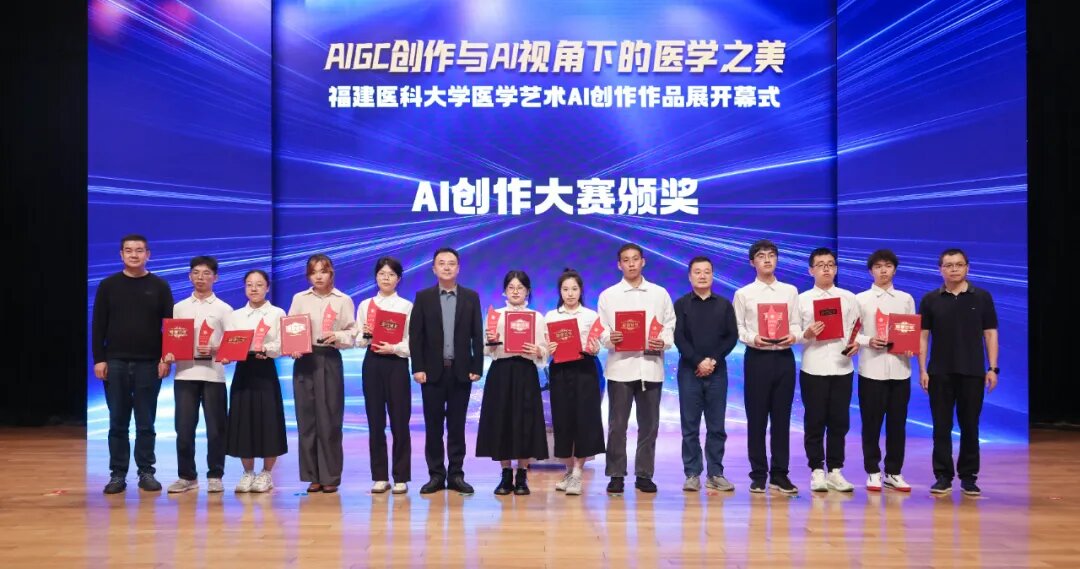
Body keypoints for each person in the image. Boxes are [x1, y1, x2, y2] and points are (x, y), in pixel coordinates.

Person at [92, 234, 174, 494]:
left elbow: (170, 327)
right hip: (114, 362)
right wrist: (99, 359)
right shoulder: (108, 285)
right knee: (117, 421)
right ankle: (117, 474)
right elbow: (98, 325)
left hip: (149, 364)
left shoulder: (160, 286)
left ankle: (146, 472)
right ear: (121, 255)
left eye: (139, 250)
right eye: (128, 250)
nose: (134, 255)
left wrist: (166, 358)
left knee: (146, 422)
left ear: (148, 254)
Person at [596, 243, 676, 495]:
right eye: (626, 260)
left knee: (649, 426)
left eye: (635, 259)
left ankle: (644, 474)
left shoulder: (659, 293)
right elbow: (602, 331)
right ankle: (616, 475)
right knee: (617, 426)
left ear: (643, 262)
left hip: (650, 367)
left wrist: (663, 341)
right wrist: (611, 338)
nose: (631, 264)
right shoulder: (608, 295)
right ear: (619, 265)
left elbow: (669, 325)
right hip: (620, 368)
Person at [919, 248, 999, 497]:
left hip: (972, 372)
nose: (954, 269)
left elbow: (990, 333)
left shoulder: (982, 297)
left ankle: (969, 477)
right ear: (940, 269)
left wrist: (992, 368)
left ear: (967, 267)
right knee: (941, 427)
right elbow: (923, 337)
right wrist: (922, 369)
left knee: (970, 426)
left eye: (959, 264)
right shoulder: (930, 299)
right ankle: (943, 476)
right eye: (948, 265)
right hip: (939, 372)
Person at [408, 247, 484, 495]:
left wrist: (477, 366)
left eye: (451, 263)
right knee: (433, 427)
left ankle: (456, 474)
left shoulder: (471, 297)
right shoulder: (423, 297)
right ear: (434, 269)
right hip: (431, 373)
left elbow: (477, 335)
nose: (447, 267)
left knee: (457, 426)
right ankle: (436, 475)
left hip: (461, 372)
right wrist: (417, 367)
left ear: (458, 268)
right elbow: (416, 336)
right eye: (442, 263)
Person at [732, 239, 801, 494]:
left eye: (771, 255)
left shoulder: (790, 291)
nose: (767, 259)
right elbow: (738, 328)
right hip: (757, 358)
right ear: (752, 262)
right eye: (761, 256)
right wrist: (753, 338)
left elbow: (796, 324)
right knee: (757, 418)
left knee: (782, 418)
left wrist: (794, 336)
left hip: (784, 358)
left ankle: (780, 475)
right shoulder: (743, 294)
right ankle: (758, 474)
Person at [287, 254, 356, 493]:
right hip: (304, 359)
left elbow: (352, 333)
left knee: (330, 420)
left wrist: (338, 336)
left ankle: (330, 476)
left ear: (331, 273)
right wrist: (292, 346)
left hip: (329, 358)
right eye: (313, 272)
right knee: (306, 420)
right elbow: (290, 327)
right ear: (308, 276)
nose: (318, 276)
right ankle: (312, 475)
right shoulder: (299, 299)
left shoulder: (343, 300)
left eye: (323, 271)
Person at [476, 270, 550, 495]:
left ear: (528, 291)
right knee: (502, 421)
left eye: (520, 288)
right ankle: (506, 474)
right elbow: (485, 349)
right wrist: (490, 342)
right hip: (501, 372)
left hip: (525, 371)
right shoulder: (495, 316)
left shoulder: (537, 317)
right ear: (504, 291)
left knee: (525, 422)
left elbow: (545, 349)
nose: (515, 292)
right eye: (511, 287)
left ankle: (522, 475)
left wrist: (538, 350)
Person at [165, 256, 233, 494]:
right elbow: (173, 338)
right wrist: (169, 354)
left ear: (215, 277)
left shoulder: (224, 309)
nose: (200, 278)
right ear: (189, 276)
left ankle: (215, 475)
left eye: (206, 273)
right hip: (184, 374)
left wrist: (215, 349)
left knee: (216, 429)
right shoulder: (180, 307)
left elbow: (232, 345)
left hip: (214, 375)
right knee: (184, 429)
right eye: (196, 273)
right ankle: (187, 476)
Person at [673, 256, 738, 493]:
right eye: (697, 272)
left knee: (716, 426)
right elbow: (678, 337)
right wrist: (697, 361)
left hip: (717, 372)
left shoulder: (724, 304)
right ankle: (692, 473)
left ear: (712, 275)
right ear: (690, 276)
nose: (702, 276)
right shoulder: (681, 304)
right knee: (690, 426)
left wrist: (712, 360)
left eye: (707, 271)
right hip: (689, 372)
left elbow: (731, 336)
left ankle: (715, 473)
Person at [797, 248, 859, 493]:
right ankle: (816, 470)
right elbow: (792, 333)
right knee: (814, 421)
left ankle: (835, 470)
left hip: (842, 367)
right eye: (820, 264)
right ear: (811, 270)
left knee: (839, 422)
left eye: (831, 264)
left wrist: (857, 344)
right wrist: (806, 333)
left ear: (836, 269)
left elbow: (857, 330)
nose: (826, 268)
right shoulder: (801, 299)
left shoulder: (848, 298)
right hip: (813, 367)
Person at [854, 249, 916, 493]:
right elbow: (851, 334)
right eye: (878, 266)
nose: (883, 270)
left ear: (894, 270)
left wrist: (910, 346)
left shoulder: (905, 299)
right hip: (871, 370)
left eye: (888, 266)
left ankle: (894, 471)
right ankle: (872, 471)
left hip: (900, 370)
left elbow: (910, 330)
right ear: (871, 271)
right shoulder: (860, 299)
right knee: (871, 423)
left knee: (897, 424)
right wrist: (868, 340)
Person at [222, 269, 288, 493]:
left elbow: (282, 343)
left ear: (267, 288)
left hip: (266, 369)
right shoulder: (236, 315)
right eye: (249, 284)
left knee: (269, 421)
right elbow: (230, 343)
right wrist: (227, 354)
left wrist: (266, 349)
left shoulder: (277, 313)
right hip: (243, 370)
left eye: (259, 284)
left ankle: (266, 474)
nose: (254, 288)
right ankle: (248, 473)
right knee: (243, 421)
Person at [544, 269, 606, 496]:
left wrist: (595, 347)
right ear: (560, 292)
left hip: (585, 369)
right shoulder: (551, 316)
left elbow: (600, 342)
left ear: (581, 291)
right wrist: (548, 349)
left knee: (584, 420)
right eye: (565, 289)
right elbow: (544, 348)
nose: (570, 294)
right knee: (563, 420)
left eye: (574, 289)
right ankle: (568, 470)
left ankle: (579, 472)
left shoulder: (590, 315)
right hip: (560, 370)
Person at [356, 257, 413, 495]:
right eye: (382, 274)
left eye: (391, 274)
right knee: (375, 421)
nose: (386, 278)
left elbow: (412, 342)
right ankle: (380, 476)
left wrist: (395, 348)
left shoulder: (406, 306)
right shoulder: (365, 305)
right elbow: (358, 341)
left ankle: (401, 477)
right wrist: (366, 335)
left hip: (396, 364)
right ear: (376, 277)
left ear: (398, 279)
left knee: (400, 421)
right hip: (373, 363)